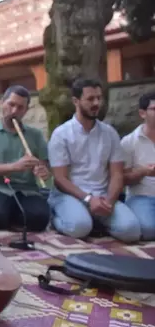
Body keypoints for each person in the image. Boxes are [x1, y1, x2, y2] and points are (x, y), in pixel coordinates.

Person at [48, 78, 140, 242]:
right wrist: (89, 199)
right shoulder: (61, 134)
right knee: (79, 228)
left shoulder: (110, 133)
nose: (97, 103)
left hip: (103, 197)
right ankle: (57, 217)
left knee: (131, 231)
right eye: (90, 99)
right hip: (71, 195)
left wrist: (109, 202)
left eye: (99, 98)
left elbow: (117, 174)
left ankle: (96, 220)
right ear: (76, 101)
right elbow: (60, 179)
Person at [0, 85, 51, 232]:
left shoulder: (35, 135)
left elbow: (44, 165)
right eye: (11, 104)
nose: (14, 111)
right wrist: (15, 166)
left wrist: (43, 171)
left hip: (27, 190)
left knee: (40, 220)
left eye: (20, 107)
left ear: (26, 110)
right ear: (2, 103)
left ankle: (10, 213)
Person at [120, 91, 155, 240]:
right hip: (141, 197)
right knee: (149, 230)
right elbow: (123, 179)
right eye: (154, 109)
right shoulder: (129, 142)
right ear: (142, 113)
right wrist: (143, 172)